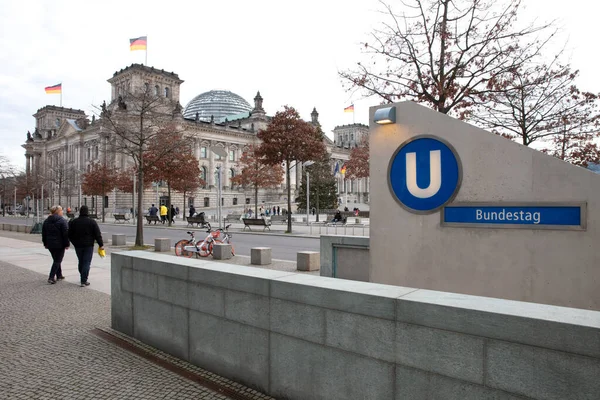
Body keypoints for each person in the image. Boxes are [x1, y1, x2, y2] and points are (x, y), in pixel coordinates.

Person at [68, 205, 104, 287]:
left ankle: (82, 275)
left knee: (81, 261)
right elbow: (97, 234)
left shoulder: (74, 222)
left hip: (78, 245)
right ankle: (83, 280)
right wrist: (101, 244)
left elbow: (69, 234)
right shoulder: (92, 222)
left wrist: (74, 242)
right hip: (88, 245)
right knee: (87, 262)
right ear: (87, 212)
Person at [42, 205, 69, 284]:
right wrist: (67, 244)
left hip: (50, 244)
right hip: (60, 244)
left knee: (56, 259)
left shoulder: (47, 221)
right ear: (58, 212)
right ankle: (51, 277)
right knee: (58, 260)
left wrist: (45, 243)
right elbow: (65, 234)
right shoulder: (62, 221)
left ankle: (59, 275)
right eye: (61, 210)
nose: (62, 212)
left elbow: (44, 233)